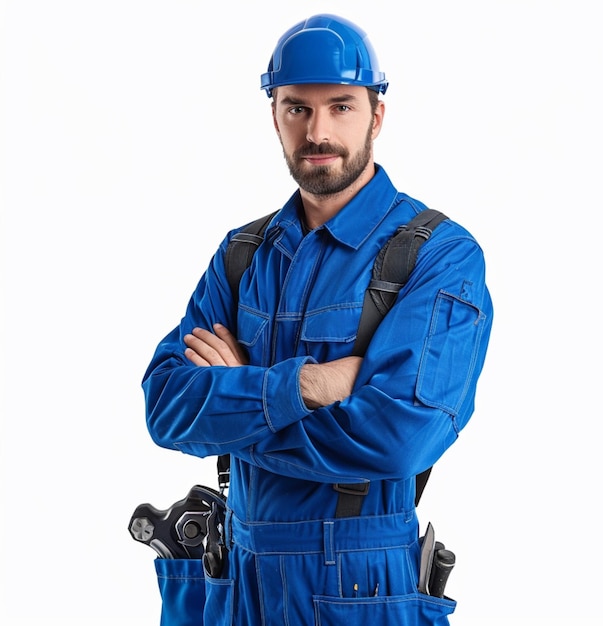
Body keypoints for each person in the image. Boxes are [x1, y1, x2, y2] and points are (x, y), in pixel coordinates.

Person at [139, 13, 493, 626]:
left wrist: (231, 405)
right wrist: (313, 385)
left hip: (360, 588)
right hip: (238, 578)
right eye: (298, 107)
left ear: (376, 115)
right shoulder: (243, 254)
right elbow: (165, 407)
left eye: (341, 106)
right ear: (274, 114)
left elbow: (398, 437)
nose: (318, 130)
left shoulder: (439, 257)